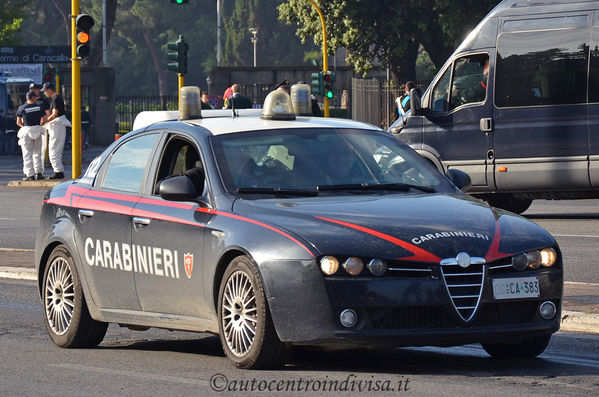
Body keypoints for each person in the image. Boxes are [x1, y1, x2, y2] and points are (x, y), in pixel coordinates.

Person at [16, 91, 47, 180]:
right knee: (37, 153)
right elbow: (45, 119)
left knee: (27, 153)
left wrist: (25, 126)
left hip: (26, 131)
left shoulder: (21, 108)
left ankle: (30, 175)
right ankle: (39, 173)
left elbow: (18, 122)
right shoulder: (39, 107)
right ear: (33, 98)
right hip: (37, 131)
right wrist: (39, 125)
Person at [41, 82, 70, 179]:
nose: (44, 93)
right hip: (58, 125)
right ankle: (58, 170)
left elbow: (54, 114)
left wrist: (44, 122)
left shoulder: (56, 99)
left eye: (45, 91)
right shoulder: (57, 98)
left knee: (54, 149)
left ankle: (58, 172)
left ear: (49, 89)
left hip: (57, 125)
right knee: (54, 148)